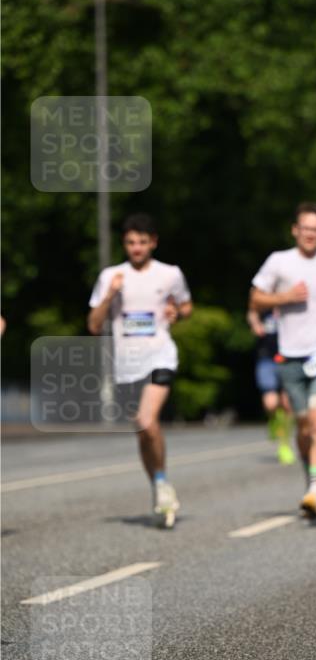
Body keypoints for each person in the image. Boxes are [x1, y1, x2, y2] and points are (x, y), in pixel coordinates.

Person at [88, 214, 192, 528]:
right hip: (127, 363)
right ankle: (159, 482)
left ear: (153, 243)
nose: (136, 248)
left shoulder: (170, 274)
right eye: (131, 242)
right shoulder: (111, 276)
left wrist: (177, 311)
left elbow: (187, 306)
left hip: (161, 355)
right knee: (142, 429)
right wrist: (109, 296)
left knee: (148, 420)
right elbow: (93, 326)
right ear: (125, 244)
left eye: (143, 242)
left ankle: (161, 484)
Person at [250, 203, 316, 517]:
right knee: (304, 427)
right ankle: (312, 481)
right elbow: (255, 299)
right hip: (289, 356)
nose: (311, 235)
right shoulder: (279, 261)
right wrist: (285, 298)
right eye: (306, 229)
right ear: (295, 230)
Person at [246, 308, 295, 465]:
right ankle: (273, 420)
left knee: (287, 404)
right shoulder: (264, 295)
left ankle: (284, 445)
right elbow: (252, 310)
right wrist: (255, 323)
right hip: (266, 356)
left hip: (289, 356)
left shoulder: (292, 297)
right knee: (271, 403)